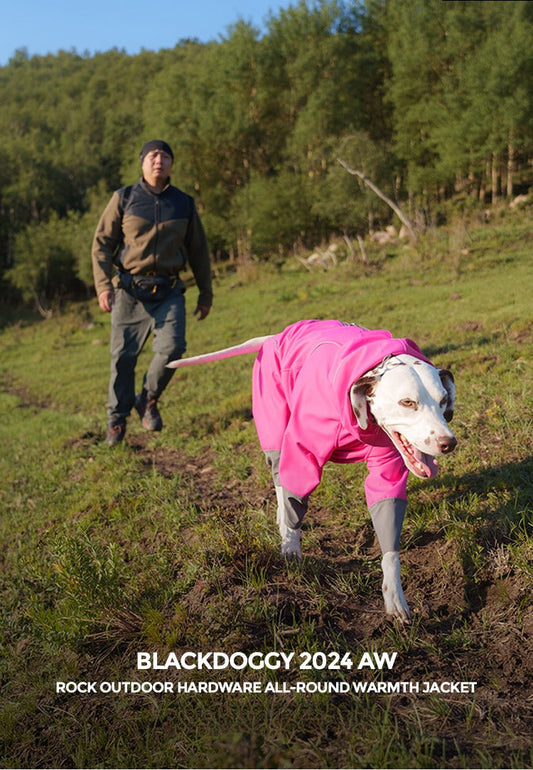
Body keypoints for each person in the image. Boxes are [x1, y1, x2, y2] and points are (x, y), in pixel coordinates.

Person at [92, 139, 213, 446]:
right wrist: (104, 285)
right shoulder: (124, 198)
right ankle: (116, 421)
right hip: (129, 292)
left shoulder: (183, 203)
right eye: (153, 155)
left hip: (169, 291)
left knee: (173, 349)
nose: (159, 160)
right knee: (123, 359)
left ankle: (147, 399)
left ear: (171, 164)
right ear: (142, 162)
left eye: (165, 156)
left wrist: (206, 292)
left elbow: (198, 250)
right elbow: (102, 244)